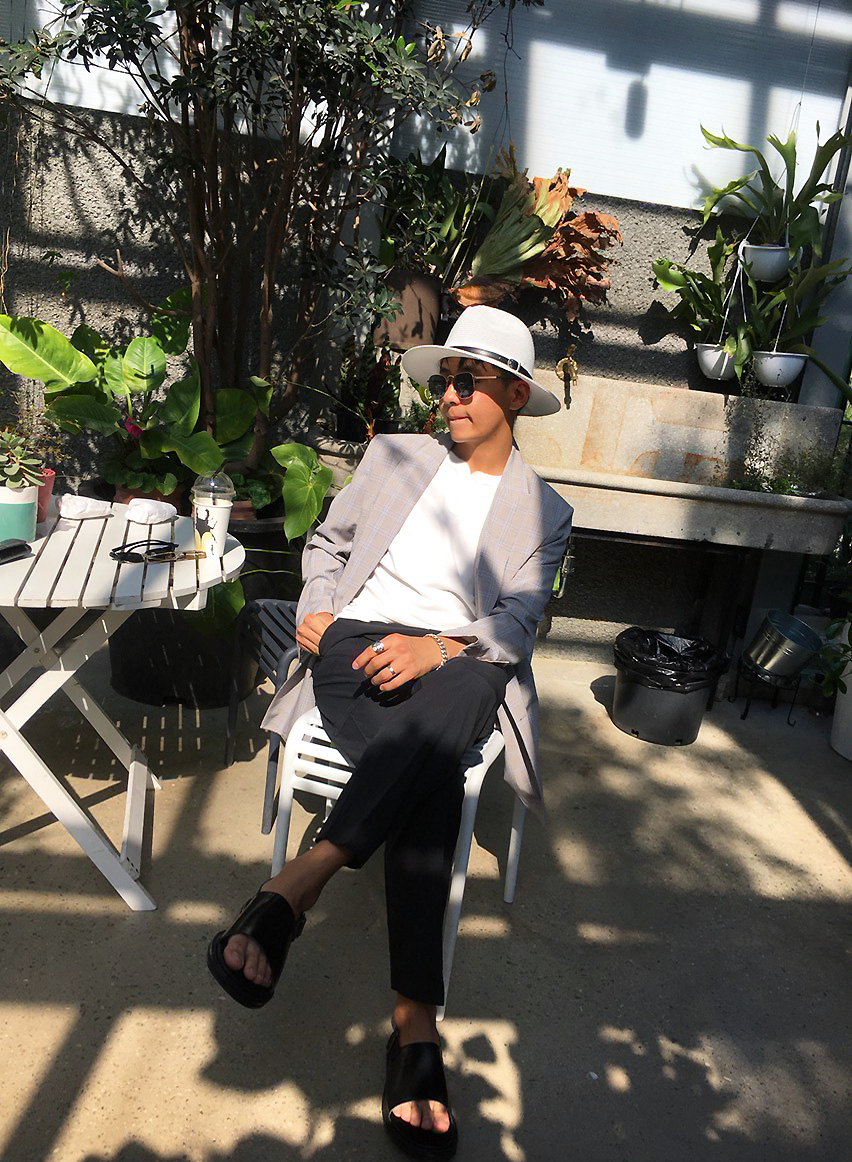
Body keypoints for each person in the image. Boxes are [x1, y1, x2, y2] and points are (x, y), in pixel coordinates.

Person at [207, 305, 573, 1160]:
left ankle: (296, 885)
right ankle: (415, 1029)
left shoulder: (543, 510)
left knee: (461, 701)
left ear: (515, 396)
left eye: (469, 381)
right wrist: (318, 608)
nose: (449, 394)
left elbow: (519, 620)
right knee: (435, 762)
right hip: (355, 645)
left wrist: (436, 648)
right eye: (445, 379)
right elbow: (328, 545)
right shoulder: (394, 456)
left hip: (454, 662)